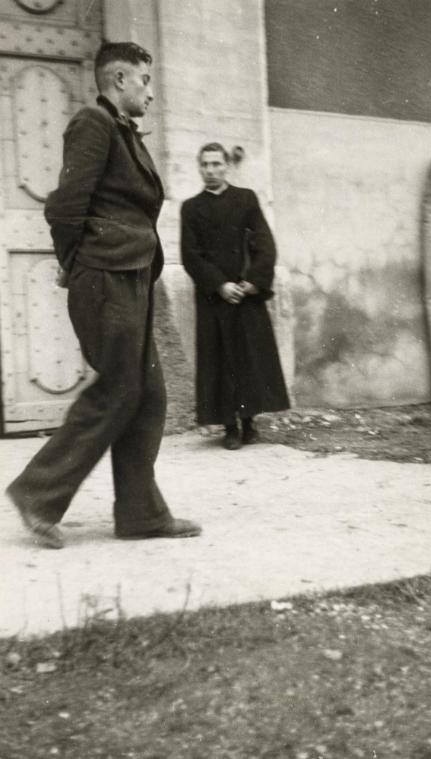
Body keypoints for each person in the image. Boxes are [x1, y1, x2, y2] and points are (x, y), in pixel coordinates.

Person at [5, 41, 201, 548]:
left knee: (149, 395)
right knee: (119, 390)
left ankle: (140, 514)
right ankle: (38, 493)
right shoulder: (93, 125)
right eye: (145, 81)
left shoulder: (121, 130)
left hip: (130, 274)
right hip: (107, 276)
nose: (151, 94)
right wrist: (80, 264)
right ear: (118, 81)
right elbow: (64, 207)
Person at [181, 142, 290, 450]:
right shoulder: (191, 208)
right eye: (205, 165)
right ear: (199, 168)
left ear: (227, 166)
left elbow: (265, 244)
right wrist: (219, 285)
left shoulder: (246, 199)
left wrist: (252, 281)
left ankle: (250, 423)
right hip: (214, 298)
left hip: (246, 296)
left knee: (248, 358)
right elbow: (191, 256)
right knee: (220, 361)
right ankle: (229, 428)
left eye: (216, 164)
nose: (211, 170)